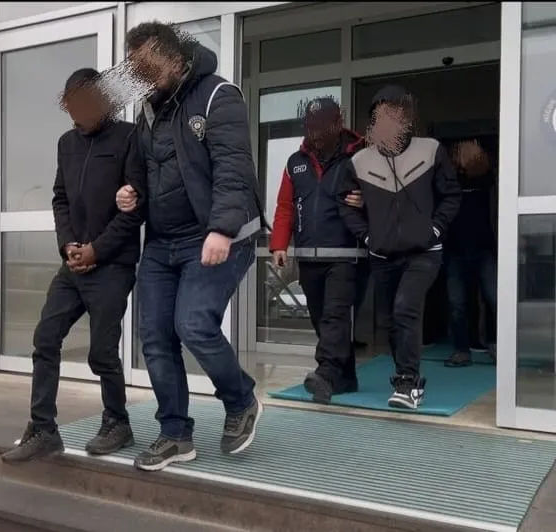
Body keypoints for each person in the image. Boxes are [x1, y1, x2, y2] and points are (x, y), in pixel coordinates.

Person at [116, 21, 268, 471]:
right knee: (155, 337)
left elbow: (233, 167)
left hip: (217, 235)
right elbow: (148, 173)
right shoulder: (147, 111)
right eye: (135, 68)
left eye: (149, 66)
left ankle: (240, 400)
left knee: (194, 324)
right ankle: (175, 434)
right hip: (162, 242)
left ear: (176, 59)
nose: (142, 76)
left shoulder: (219, 95)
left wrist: (221, 229)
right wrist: (131, 194)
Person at [1, 68, 145, 463]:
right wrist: (68, 245)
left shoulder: (129, 137)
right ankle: (43, 429)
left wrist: (97, 250)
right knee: (45, 338)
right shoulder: (66, 143)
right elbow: (60, 198)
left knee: (102, 351)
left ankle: (117, 422)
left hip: (112, 265)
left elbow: (136, 208)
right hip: (73, 262)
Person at [337, 86, 461, 410]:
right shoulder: (359, 161)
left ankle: (409, 383)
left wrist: (435, 229)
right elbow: (346, 206)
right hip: (383, 256)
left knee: (406, 307)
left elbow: (451, 196)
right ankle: (402, 373)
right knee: (392, 320)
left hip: (424, 252)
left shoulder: (430, 150)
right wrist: (368, 237)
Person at [269, 97, 366, 404]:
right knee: (320, 317)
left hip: (346, 255)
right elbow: (285, 206)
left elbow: (384, 194)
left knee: (335, 316)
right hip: (309, 255)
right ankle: (345, 378)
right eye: (310, 126)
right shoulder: (295, 162)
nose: (315, 133)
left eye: (321, 126)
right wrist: (279, 245)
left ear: (338, 123)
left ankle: (325, 373)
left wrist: (366, 201)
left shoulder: (360, 155)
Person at [443, 139, 497, 367]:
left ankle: (495, 344)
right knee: (457, 303)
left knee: (494, 299)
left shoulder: (487, 179)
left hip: (484, 248)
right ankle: (461, 349)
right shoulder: (448, 180)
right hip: (455, 249)